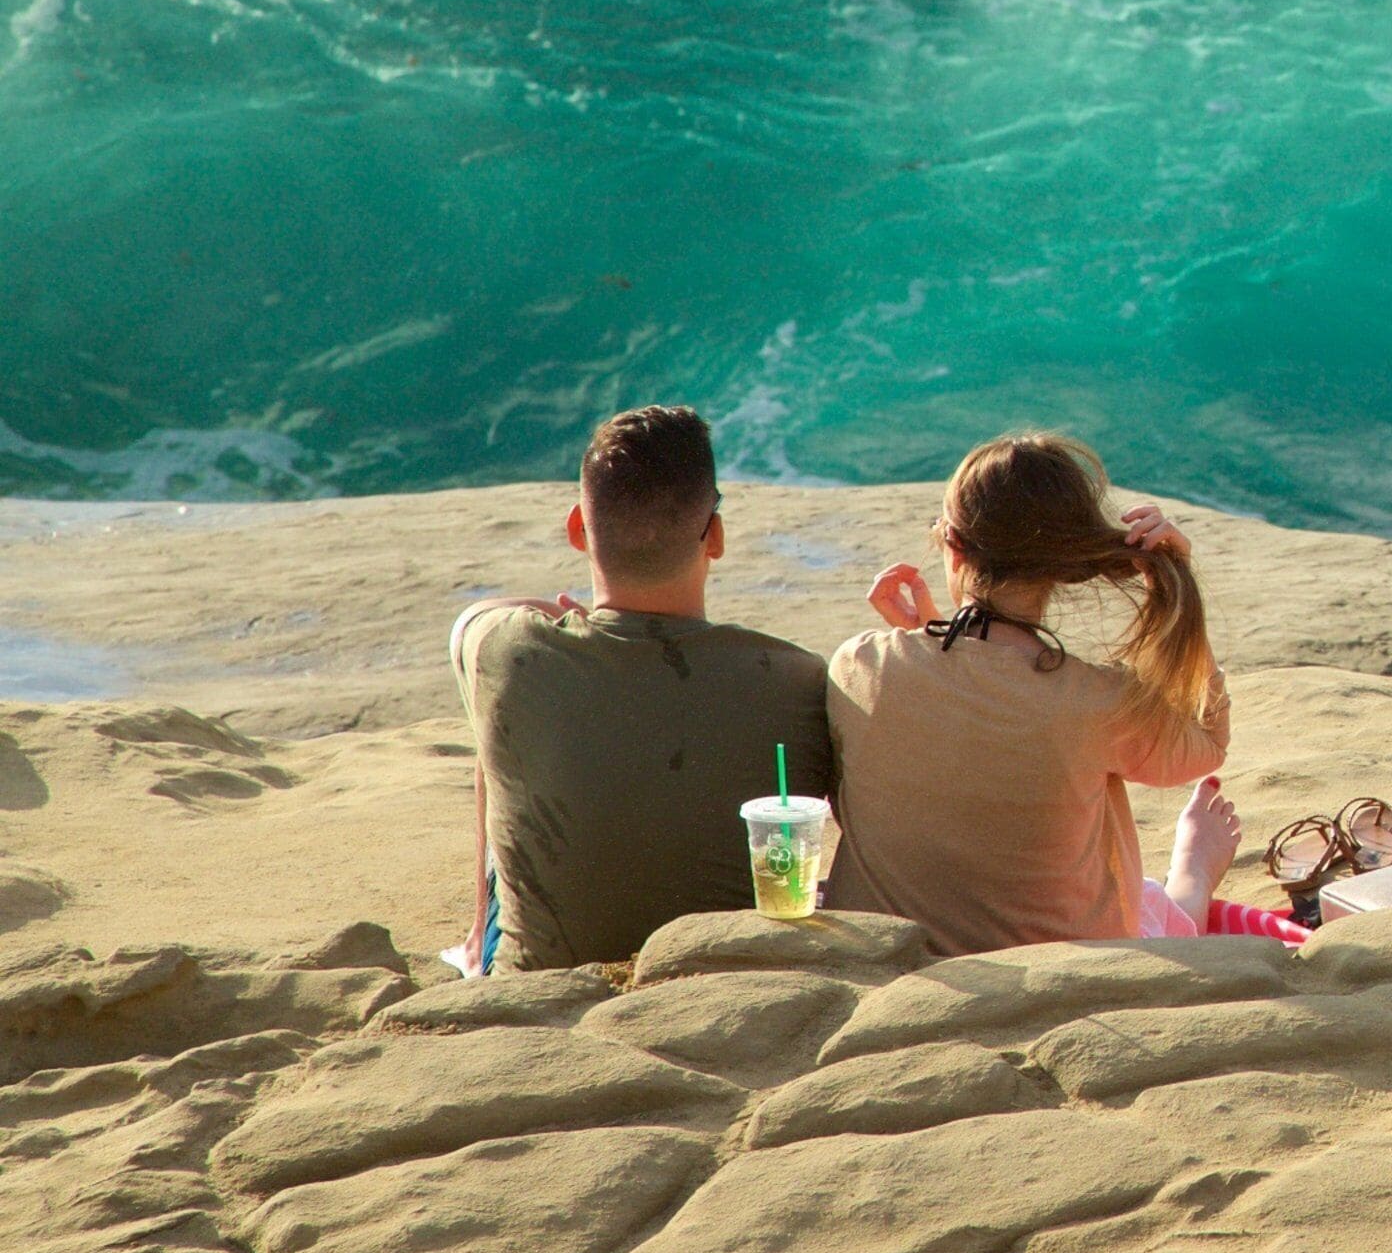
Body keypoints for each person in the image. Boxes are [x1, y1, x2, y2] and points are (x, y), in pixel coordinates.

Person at [824, 432, 1256, 953]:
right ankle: (1192, 875)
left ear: (956, 547)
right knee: (1155, 905)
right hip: (1060, 967)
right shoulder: (1098, 701)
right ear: (1062, 564)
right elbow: (1206, 742)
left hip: (887, 961)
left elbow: (963, 712)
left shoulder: (861, 663)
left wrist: (927, 636)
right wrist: (1174, 580)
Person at [450, 405, 837, 974]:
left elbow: (475, 617)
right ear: (717, 536)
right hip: (725, 969)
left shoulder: (503, 651)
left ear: (578, 530)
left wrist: (570, 621)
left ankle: (475, 945)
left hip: (542, 977)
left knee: (502, 727)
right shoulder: (799, 678)